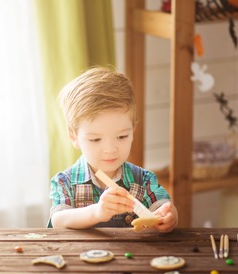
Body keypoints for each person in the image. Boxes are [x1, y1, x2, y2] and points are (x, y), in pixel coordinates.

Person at [47, 67, 178, 232]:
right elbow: (59, 220)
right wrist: (97, 212)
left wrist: (168, 215)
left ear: (133, 131)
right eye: (95, 139)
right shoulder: (64, 182)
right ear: (74, 136)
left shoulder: (143, 180)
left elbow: (162, 206)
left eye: (122, 136)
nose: (110, 149)